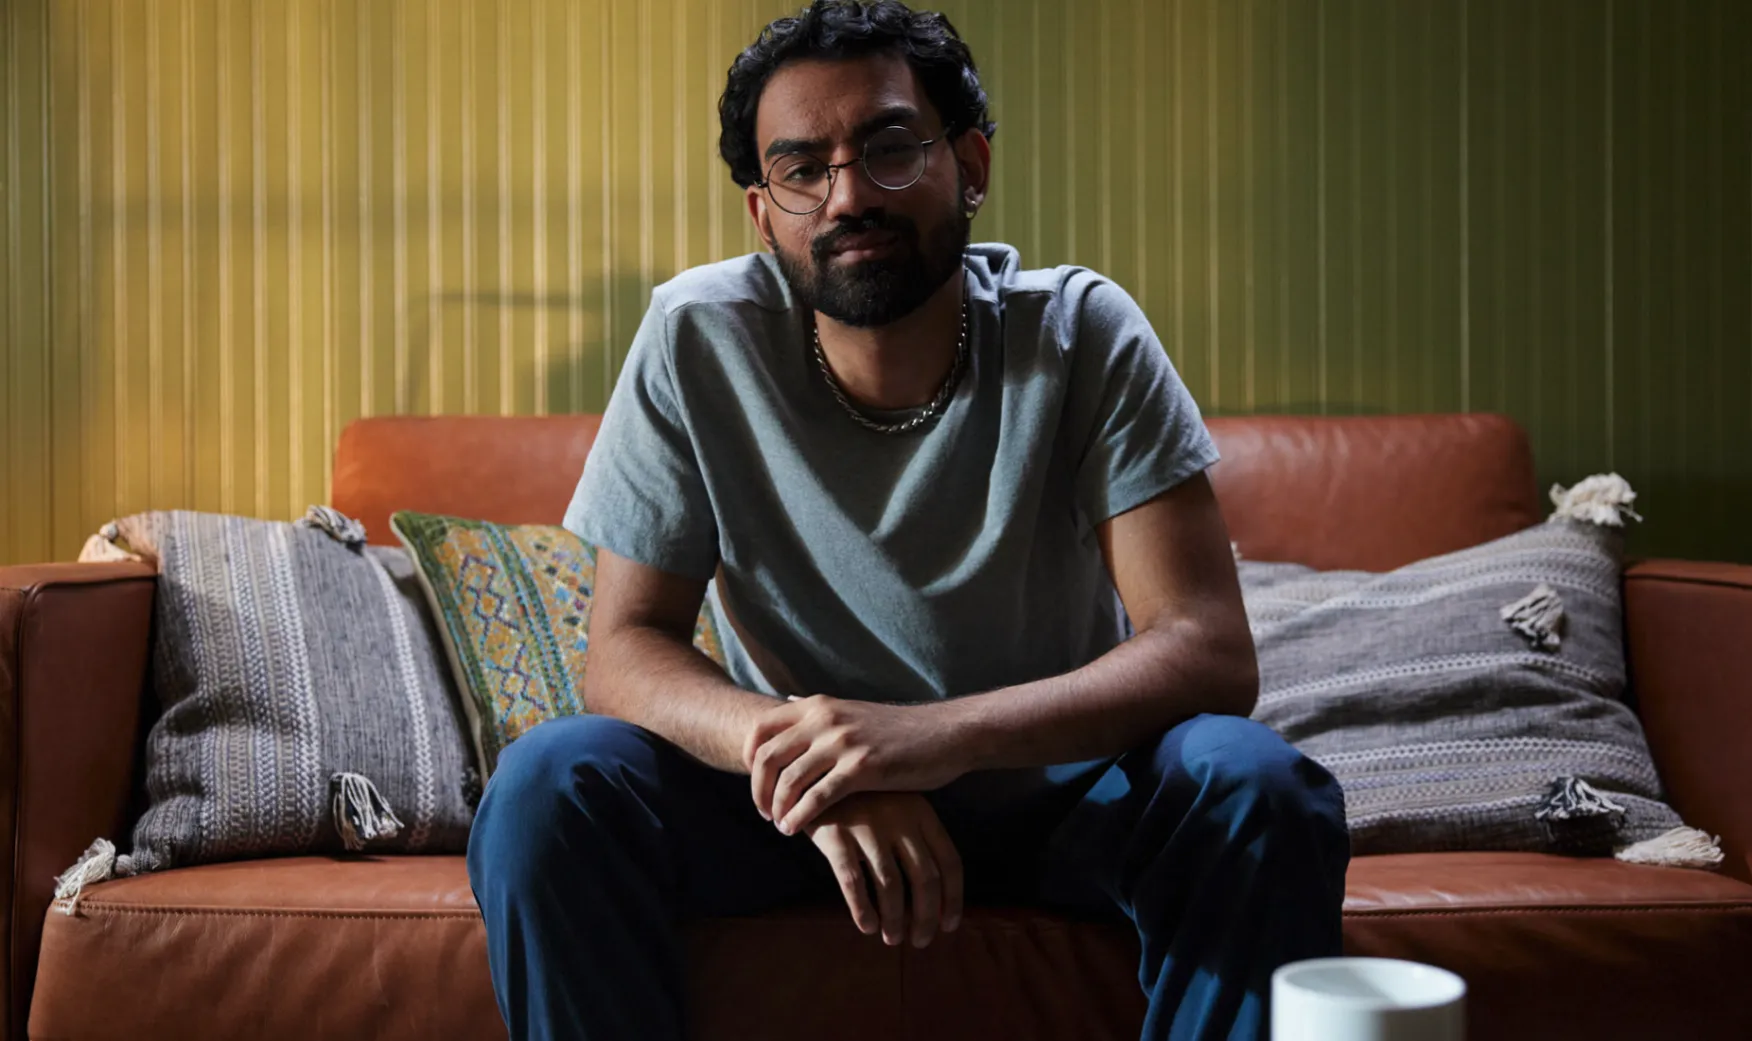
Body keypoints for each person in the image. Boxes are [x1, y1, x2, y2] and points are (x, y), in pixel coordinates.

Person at [466, 2, 1349, 1038]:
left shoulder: (1080, 332)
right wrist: (820, 767)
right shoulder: (696, 337)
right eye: (803, 168)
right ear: (763, 213)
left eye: (889, 148)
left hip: (1067, 800)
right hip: (799, 816)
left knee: (1256, 785)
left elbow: (1205, 651)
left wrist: (923, 745)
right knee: (545, 786)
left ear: (969, 164)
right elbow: (623, 649)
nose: (847, 196)